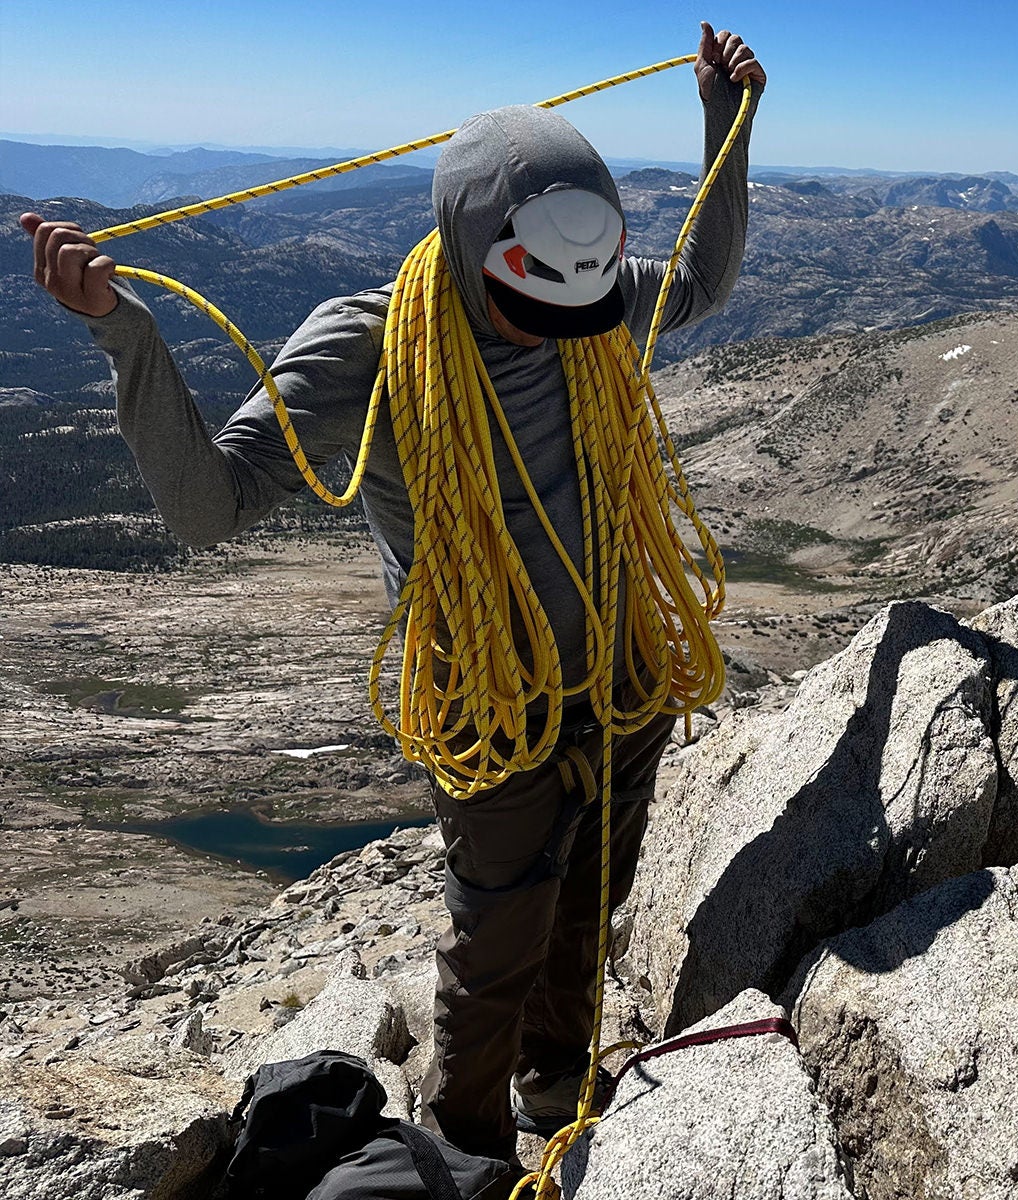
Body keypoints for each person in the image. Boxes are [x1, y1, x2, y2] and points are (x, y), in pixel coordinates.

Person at [20, 23, 766, 1165]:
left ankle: (559, 1084)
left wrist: (727, 121)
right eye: (532, 308)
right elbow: (208, 507)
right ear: (472, 250)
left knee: (587, 904)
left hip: (618, 671)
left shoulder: (590, 296)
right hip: (487, 699)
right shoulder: (370, 346)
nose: (568, 332)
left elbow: (703, 281)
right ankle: (469, 1149)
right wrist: (126, 339)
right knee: (497, 944)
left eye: (582, 308)